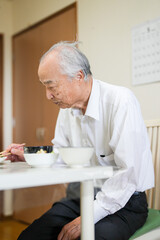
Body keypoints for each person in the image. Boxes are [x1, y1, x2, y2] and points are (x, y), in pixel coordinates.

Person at [5, 41, 154, 240]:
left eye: (51, 86)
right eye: (45, 87)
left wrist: (89, 216)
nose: (48, 95)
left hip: (124, 202)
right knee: (30, 236)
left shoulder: (120, 101)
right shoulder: (67, 109)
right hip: (81, 196)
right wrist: (28, 156)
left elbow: (129, 175)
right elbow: (61, 156)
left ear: (79, 76)